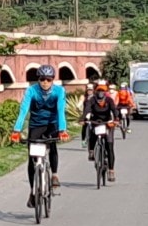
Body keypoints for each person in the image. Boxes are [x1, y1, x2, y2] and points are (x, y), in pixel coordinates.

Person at [10, 65, 69, 208]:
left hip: (52, 124)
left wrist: (62, 130)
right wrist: (16, 130)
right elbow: (23, 110)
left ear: (52, 80)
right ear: (38, 79)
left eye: (48, 80)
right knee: (32, 158)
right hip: (36, 125)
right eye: (42, 79)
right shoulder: (31, 91)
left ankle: (54, 174)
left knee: (52, 145)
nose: (45, 83)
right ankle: (33, 191)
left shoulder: (59, 91)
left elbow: (61, 110)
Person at [81, 81, 121, 182]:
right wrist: (83, 118)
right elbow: (87, 110)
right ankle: (91, 151)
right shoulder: (92, 100)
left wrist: (116, 118)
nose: (100, 93)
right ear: (95, 91)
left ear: (106, 91)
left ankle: (111, 171)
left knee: (109, 147)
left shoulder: (109, 100)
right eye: (99, 90)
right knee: (91, 133)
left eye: (103, 91)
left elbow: (114, 110)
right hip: (95, 122)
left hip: (107, 123)